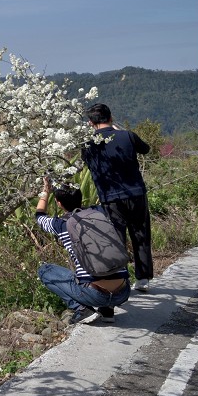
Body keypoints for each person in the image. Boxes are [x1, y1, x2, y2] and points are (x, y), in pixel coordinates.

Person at [35, 176, 131, 325]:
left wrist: (46, 189)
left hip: (95, 295)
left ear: (59, 203)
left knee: (45, 270)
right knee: (99, 265)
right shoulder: (100, 213)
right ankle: (107, 310)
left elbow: (39, 215)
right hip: (124, 292)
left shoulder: (61, 225)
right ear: (81, 198)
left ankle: (80, 308)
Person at [80, 103, 153, 292]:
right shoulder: (127, 136)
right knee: (141, 235)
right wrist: (121, 131)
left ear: (90, 123)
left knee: (116, 239)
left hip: (110, 197)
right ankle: (143, 279)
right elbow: (146, 149)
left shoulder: (87, 144)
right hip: (136, 193)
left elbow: (87, 163)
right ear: (111, 117)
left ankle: (120, 280)